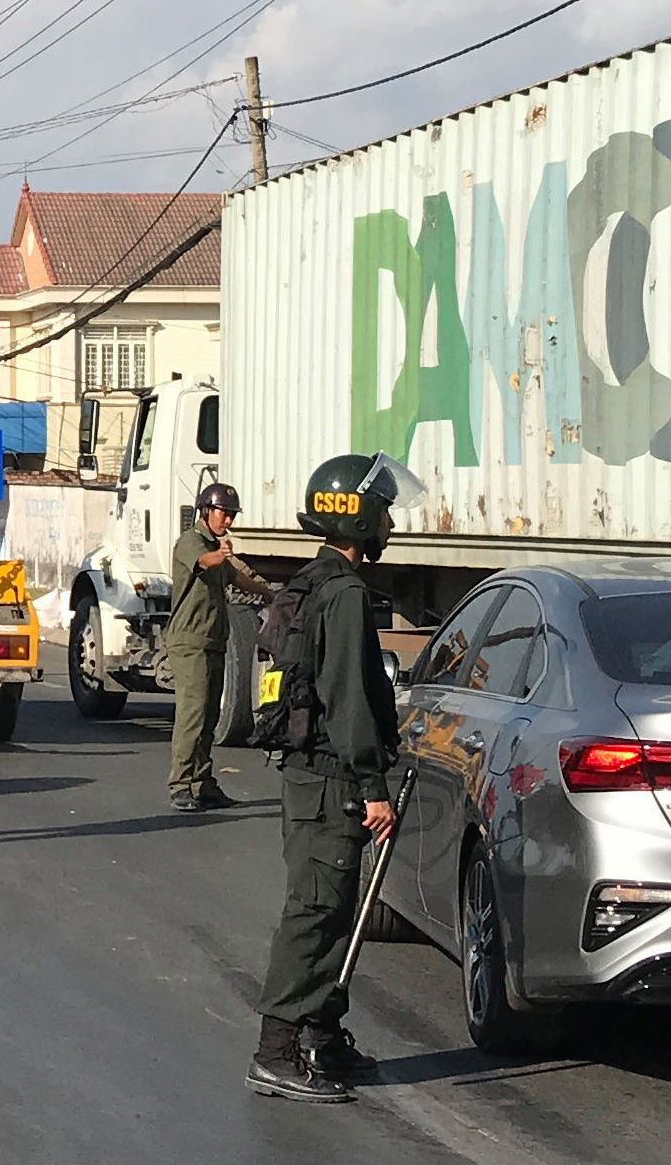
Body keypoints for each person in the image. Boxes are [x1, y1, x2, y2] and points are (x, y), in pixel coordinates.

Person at [247, 453, 415, 1104]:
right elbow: (347, 698)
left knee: (338, 906)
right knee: (316, 910)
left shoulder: (315, 580)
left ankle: (321, 1032)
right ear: (363, 514)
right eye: (387, 509)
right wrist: (373, 786)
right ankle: (277, 1049)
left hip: (313, 775)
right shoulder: (343, 593)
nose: (392, 522)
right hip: (332, 779)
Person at [163, 482, 276, 812]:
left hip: (212, 639)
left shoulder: (216, 547)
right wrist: (221, 554)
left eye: (230, 515)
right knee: (192, 714)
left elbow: (236, 578)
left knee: (210, 715)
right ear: (205, 511)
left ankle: (202, 781)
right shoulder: (191, 542)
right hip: (189, 641)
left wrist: (269, 594)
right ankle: (180, 784)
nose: (227, 520)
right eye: (223, 513)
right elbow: (205, 561)